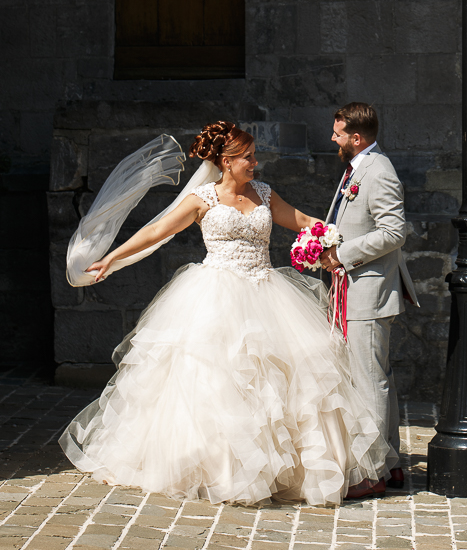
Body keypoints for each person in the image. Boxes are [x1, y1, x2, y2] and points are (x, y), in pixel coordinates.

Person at [59, 120, 394, 507]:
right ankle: (220, 471)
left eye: (254, 156)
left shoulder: (265, 194)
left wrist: (331, 239)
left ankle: (287, 471)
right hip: (215, 294)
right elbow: (156, 232)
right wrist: (111, 258)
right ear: (227, 161)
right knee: (215, 382)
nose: (256, 162)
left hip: (267, 293)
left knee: (284, 385)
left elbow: (302, 222)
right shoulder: (202, 199)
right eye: (248, 157)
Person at [320, 103, 419, 499]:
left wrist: (342, 254)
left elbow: (395, 231)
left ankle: (373, 471)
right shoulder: (359, 167)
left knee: (369, 382)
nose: (333, 138)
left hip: (369, 292)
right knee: (377, 378)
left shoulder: (378, 171)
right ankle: (391, 462)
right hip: (356, 290)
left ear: (356, 138)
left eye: (338, 133)